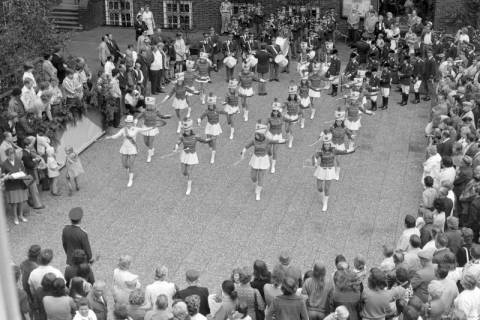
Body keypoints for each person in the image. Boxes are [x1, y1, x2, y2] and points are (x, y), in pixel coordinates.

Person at [241, 121, 286, 201]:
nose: (257, 135)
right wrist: (243, 151)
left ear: (262, 135)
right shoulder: (254, 141)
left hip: (263, 160)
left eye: (258, 134)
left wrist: (282, 141)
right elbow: (247, 146)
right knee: (253, 177)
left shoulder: (267, 140)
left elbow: (275, 141)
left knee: (261, 177)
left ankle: (258, 192)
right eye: (256, 134)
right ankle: (256, 184)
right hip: (255, 159)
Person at [105, 115, 153, 187]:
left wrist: (152, 127)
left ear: (132, 123)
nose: (128, 124)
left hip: (133, 149)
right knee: (124, 164)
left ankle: (130, 179)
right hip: (124, 148)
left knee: (131, 164)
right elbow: (116, 135)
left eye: (130, 122)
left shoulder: (136, 129)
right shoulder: (123, 130)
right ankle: (128, 169)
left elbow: (144, 130)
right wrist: (110, 137)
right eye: (127, 122)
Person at [174, 118, 212, 195]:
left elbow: (203, 141)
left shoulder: (195, 136)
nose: (186, 132)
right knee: (184, 172)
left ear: (191, 129)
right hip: (184, 155)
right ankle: (187, 177)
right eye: (185, 130)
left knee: (189, 172)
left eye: (187, 130)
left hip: (192, 156)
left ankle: (189, 187)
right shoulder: (182, 136)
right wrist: (176, 145)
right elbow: (178, 141)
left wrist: (209, 139)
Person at [312, 132, 340, 212]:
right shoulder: (320, 151)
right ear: (323, 145)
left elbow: (343, 152)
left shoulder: (334, 151)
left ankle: (325, 203)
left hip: (330, 170)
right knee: (319, 187)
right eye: (325, 144)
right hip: (321, 169)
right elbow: (315, 156)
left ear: (330, 145)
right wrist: (315, 161)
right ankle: (323, 197)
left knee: (327, 188)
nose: (326, 146)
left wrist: (351, 150)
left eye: (328, 144)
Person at [2, 147, 29, 224]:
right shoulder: (4, 164)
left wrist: (23, 174)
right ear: (7, 155)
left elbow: (23, 170)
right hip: (11, 186)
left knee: (21, 201)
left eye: (13, 154)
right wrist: (7, 177)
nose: (12, 156)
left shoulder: (18, 161)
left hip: (20, 184)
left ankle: (20, 216)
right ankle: (15, 217)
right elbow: (3, 176)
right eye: (10, 155)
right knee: (14, 203)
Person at [198, 93, 228, 164]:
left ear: (214, 104)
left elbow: (223, 112)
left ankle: (213, 155)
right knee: (208, 140)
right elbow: (202, 116)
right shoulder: (207, 111)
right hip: (209, 126)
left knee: (213, 141)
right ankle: (211, 148)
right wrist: (199, 119)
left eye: (212, 105)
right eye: (209, 105)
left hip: (215, 127)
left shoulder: (217, 109)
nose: (210, 106)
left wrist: (228, 111)